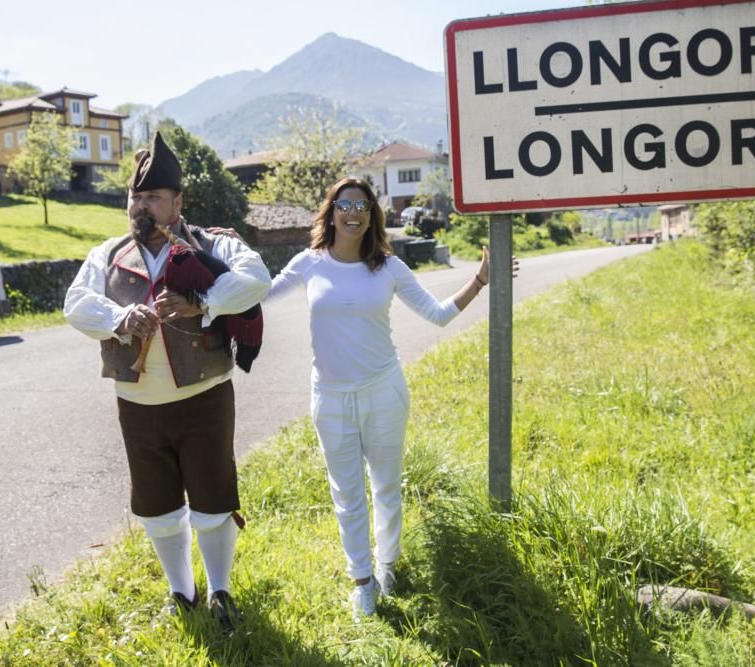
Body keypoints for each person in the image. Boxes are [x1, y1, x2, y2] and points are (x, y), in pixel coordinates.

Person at [267, 177, 516, 621]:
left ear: (372, 217)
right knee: (346, 493)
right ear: (331, 212)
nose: (353, 213)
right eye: (344, 204)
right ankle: (362, 582)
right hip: (330, 395)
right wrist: (223, 262)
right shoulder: (309, 263)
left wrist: (480, 280)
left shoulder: (389, 267)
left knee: (385, 486)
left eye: (362, 206)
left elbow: (437, 316)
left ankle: (387, 567)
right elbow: (260, 296)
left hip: (383, 390)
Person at [63, 132, 271, 633]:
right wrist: (119, 317)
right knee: (156, 504)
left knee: (212, 497)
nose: (142, 204)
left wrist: (205, 303)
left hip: (203, 399)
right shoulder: (108, 253)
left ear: (178, 202)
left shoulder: (212, 242)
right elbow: (75, 303)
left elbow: (256, 277)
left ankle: (220, 589)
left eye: (153, 196)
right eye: (136, 196)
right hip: (137, 405)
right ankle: (183, 590)